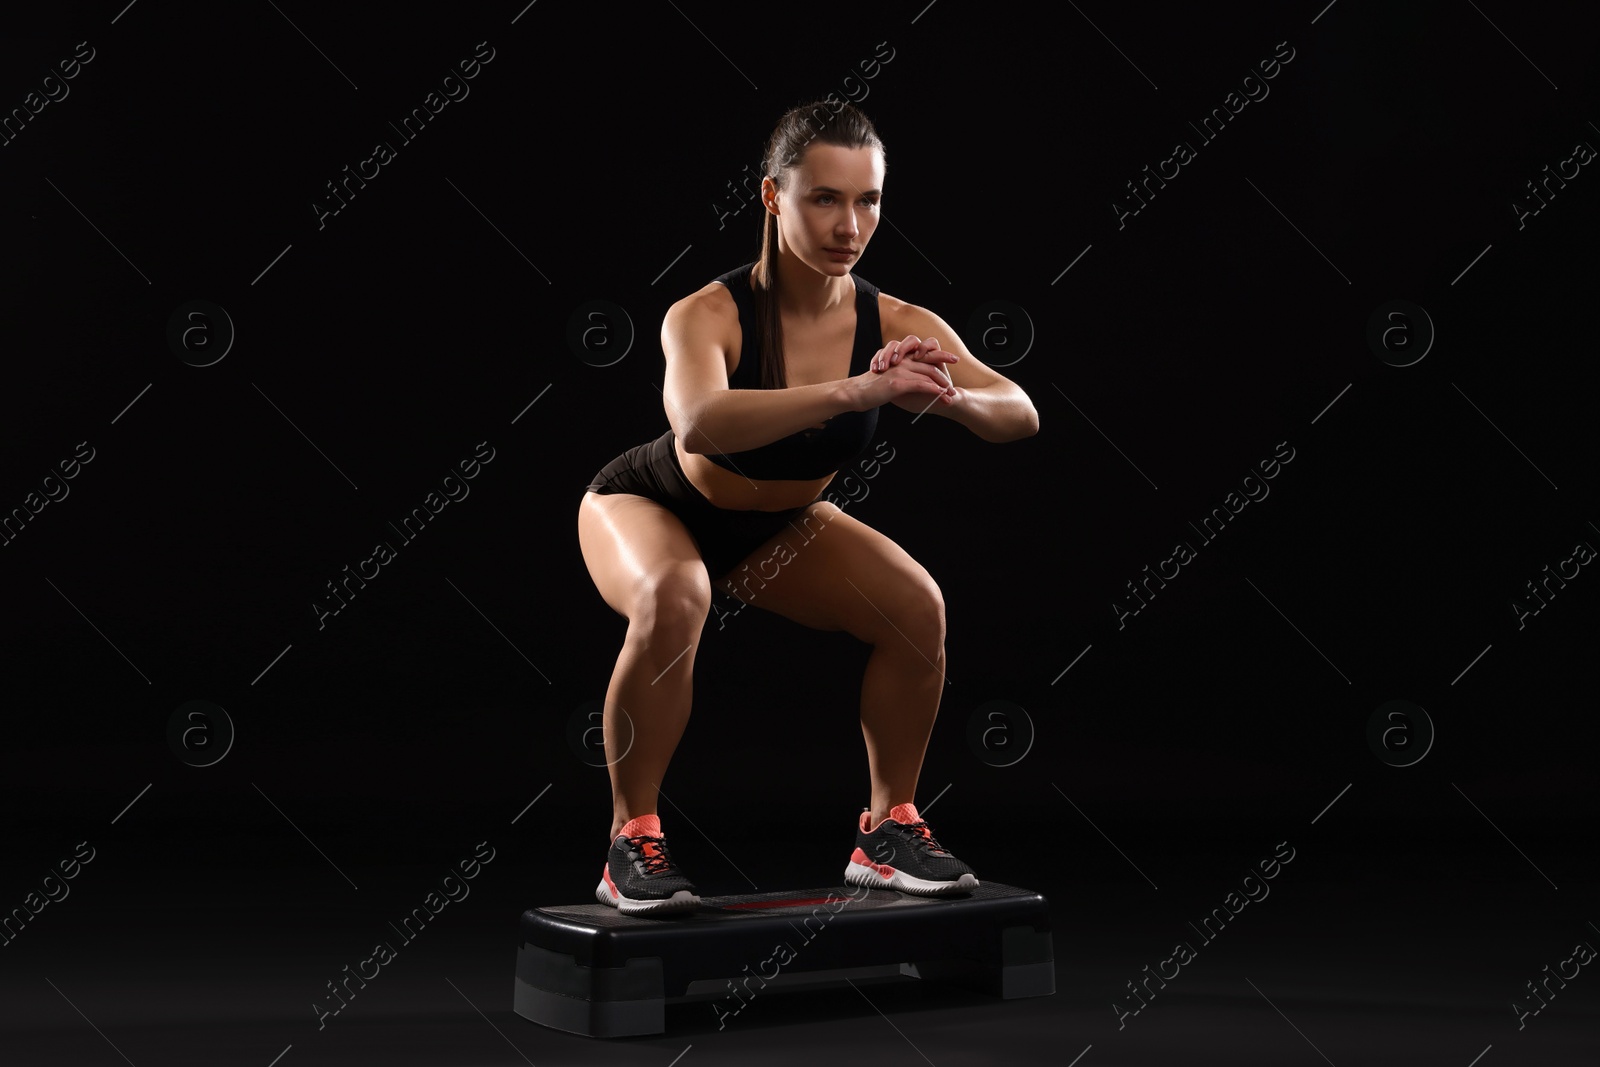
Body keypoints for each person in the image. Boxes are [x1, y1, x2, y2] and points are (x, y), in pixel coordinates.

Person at [578, 100, 1039, 915]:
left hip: (776, 529)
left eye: (868, 201)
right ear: (772, 197)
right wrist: (858, 390)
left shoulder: (893, 318)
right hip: (651, 501)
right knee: (675, 594)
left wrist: (946, 396)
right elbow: (699, 421)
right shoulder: (707, 313)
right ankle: (630, 841)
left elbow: (1018, 410)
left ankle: (886, 829)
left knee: (915, 606)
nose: (849, 224)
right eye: (824, 198)